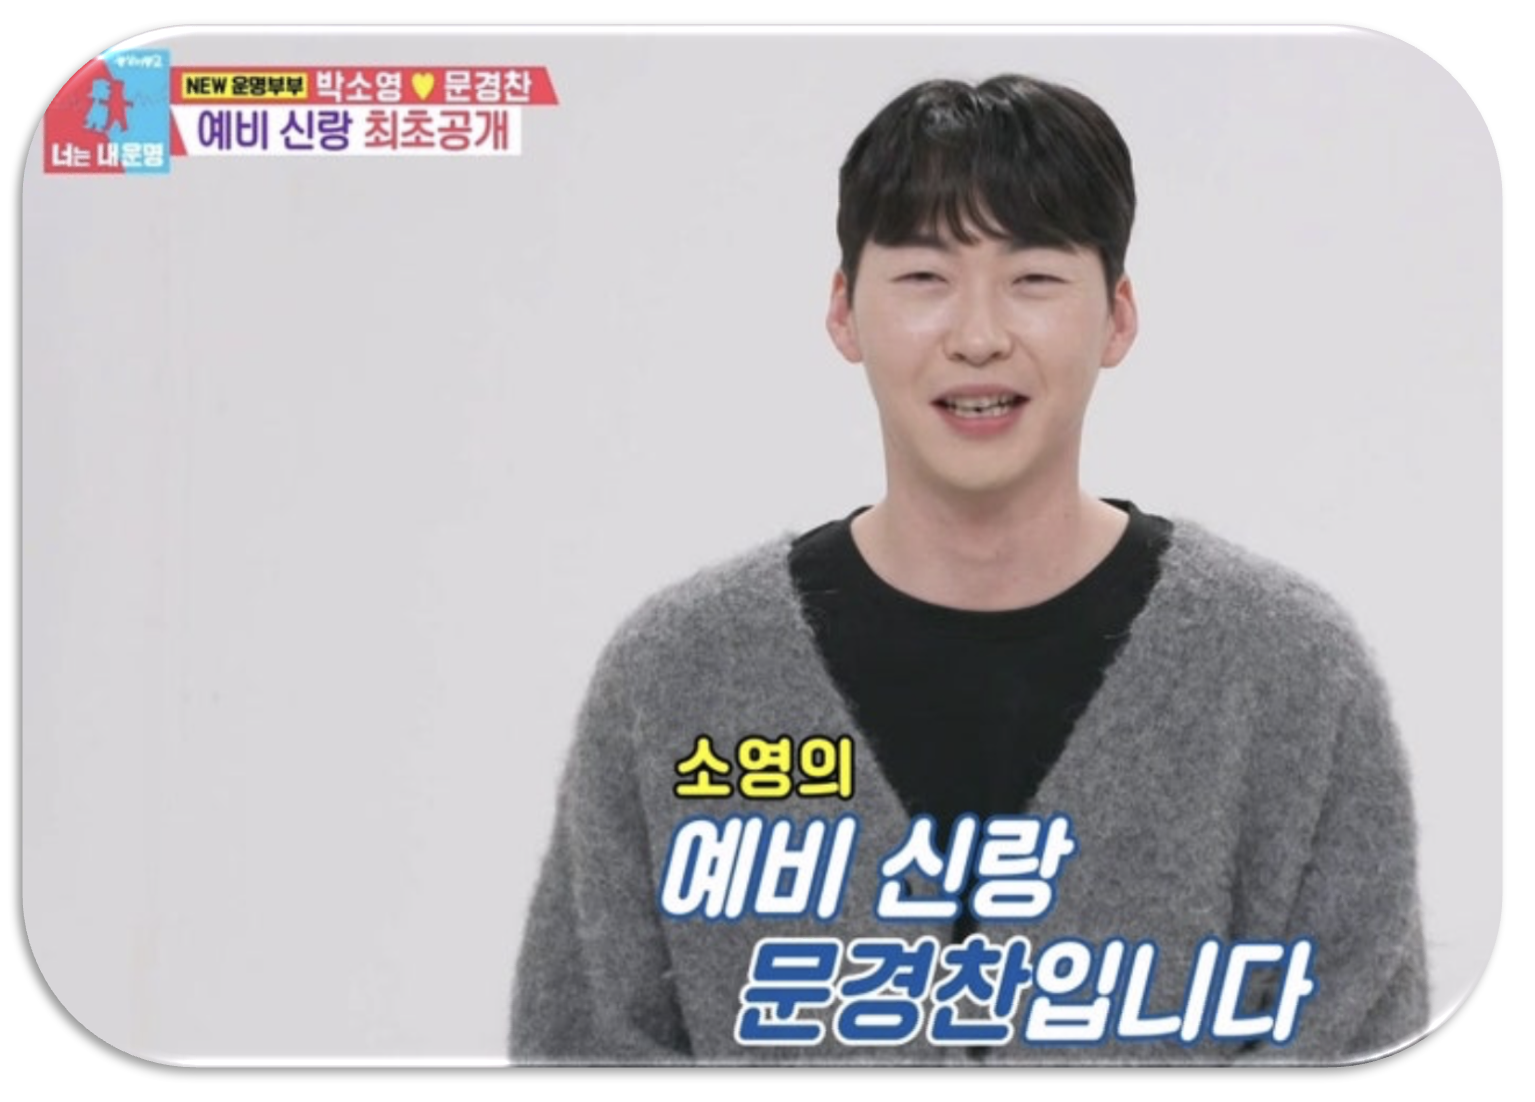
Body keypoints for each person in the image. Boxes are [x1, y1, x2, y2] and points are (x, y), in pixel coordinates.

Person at [508, 73, 1428, 1066]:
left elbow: (1361, 1053)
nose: (979, 336)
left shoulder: (1288, 673)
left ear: (1117, 317)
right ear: (843, 312)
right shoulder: (677, 677)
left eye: (1034, 277)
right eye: (923, 277)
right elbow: (581, 1053)